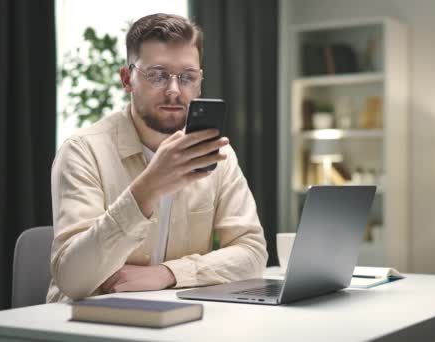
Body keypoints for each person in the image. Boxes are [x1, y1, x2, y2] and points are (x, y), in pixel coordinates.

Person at [46, 13, 268, 302]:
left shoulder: (218, 154)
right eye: (158, 75)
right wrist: (147, 189)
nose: (174, 90)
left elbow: (252, 253)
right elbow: (73, 280)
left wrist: (168, 273)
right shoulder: (82, 151)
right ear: (127, 79)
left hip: (178, 319)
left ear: (199, 83)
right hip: (84, 321)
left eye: (187, 77)